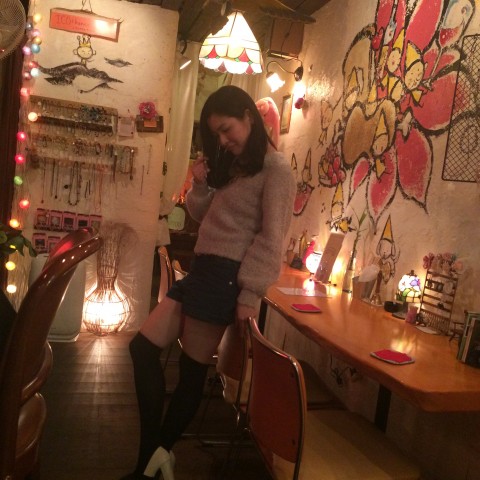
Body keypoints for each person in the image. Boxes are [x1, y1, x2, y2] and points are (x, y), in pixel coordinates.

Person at [122, 85, 295, 480]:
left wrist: (250, 293)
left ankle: (148, 465)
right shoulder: (239, 166)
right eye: (217, 134)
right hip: (203, 270)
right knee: (141, 349)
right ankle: (153, 457)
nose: (223, 140)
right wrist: (200, 184)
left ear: (249, 116)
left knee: (191, 370)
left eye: (226, 129)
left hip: (225, 278)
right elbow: (203, 214)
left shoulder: (276, 171)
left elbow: (272, 239)